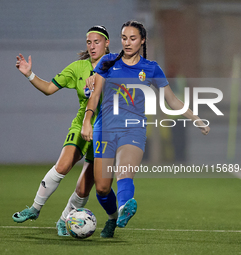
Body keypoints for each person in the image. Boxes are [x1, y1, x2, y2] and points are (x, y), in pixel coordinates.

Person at [81, 21, 210, 237]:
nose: (128, 42)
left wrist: (195, 118)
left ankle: (124, 208)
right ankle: (113, 218)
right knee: (102, 188)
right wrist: (87, 120)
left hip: (133, 130)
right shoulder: (107, 62)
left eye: (133, 38)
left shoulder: (151, 68)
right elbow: (94, 95)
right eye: (124, 38)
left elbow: (172, 100)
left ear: (142, 41)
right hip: (105, 129)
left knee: (124, 171)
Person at [12, 26, 111, 237]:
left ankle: (64, 219)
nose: (92, 46)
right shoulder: (77, 68)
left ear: (107, 43)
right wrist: (30, 75)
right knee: (63, 165)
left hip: (106, 131)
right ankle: (35, 208)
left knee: (84, 189)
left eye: (97, 42)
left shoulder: (116, 67)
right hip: (81, 125)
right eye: (89, 42)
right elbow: (49, 89)